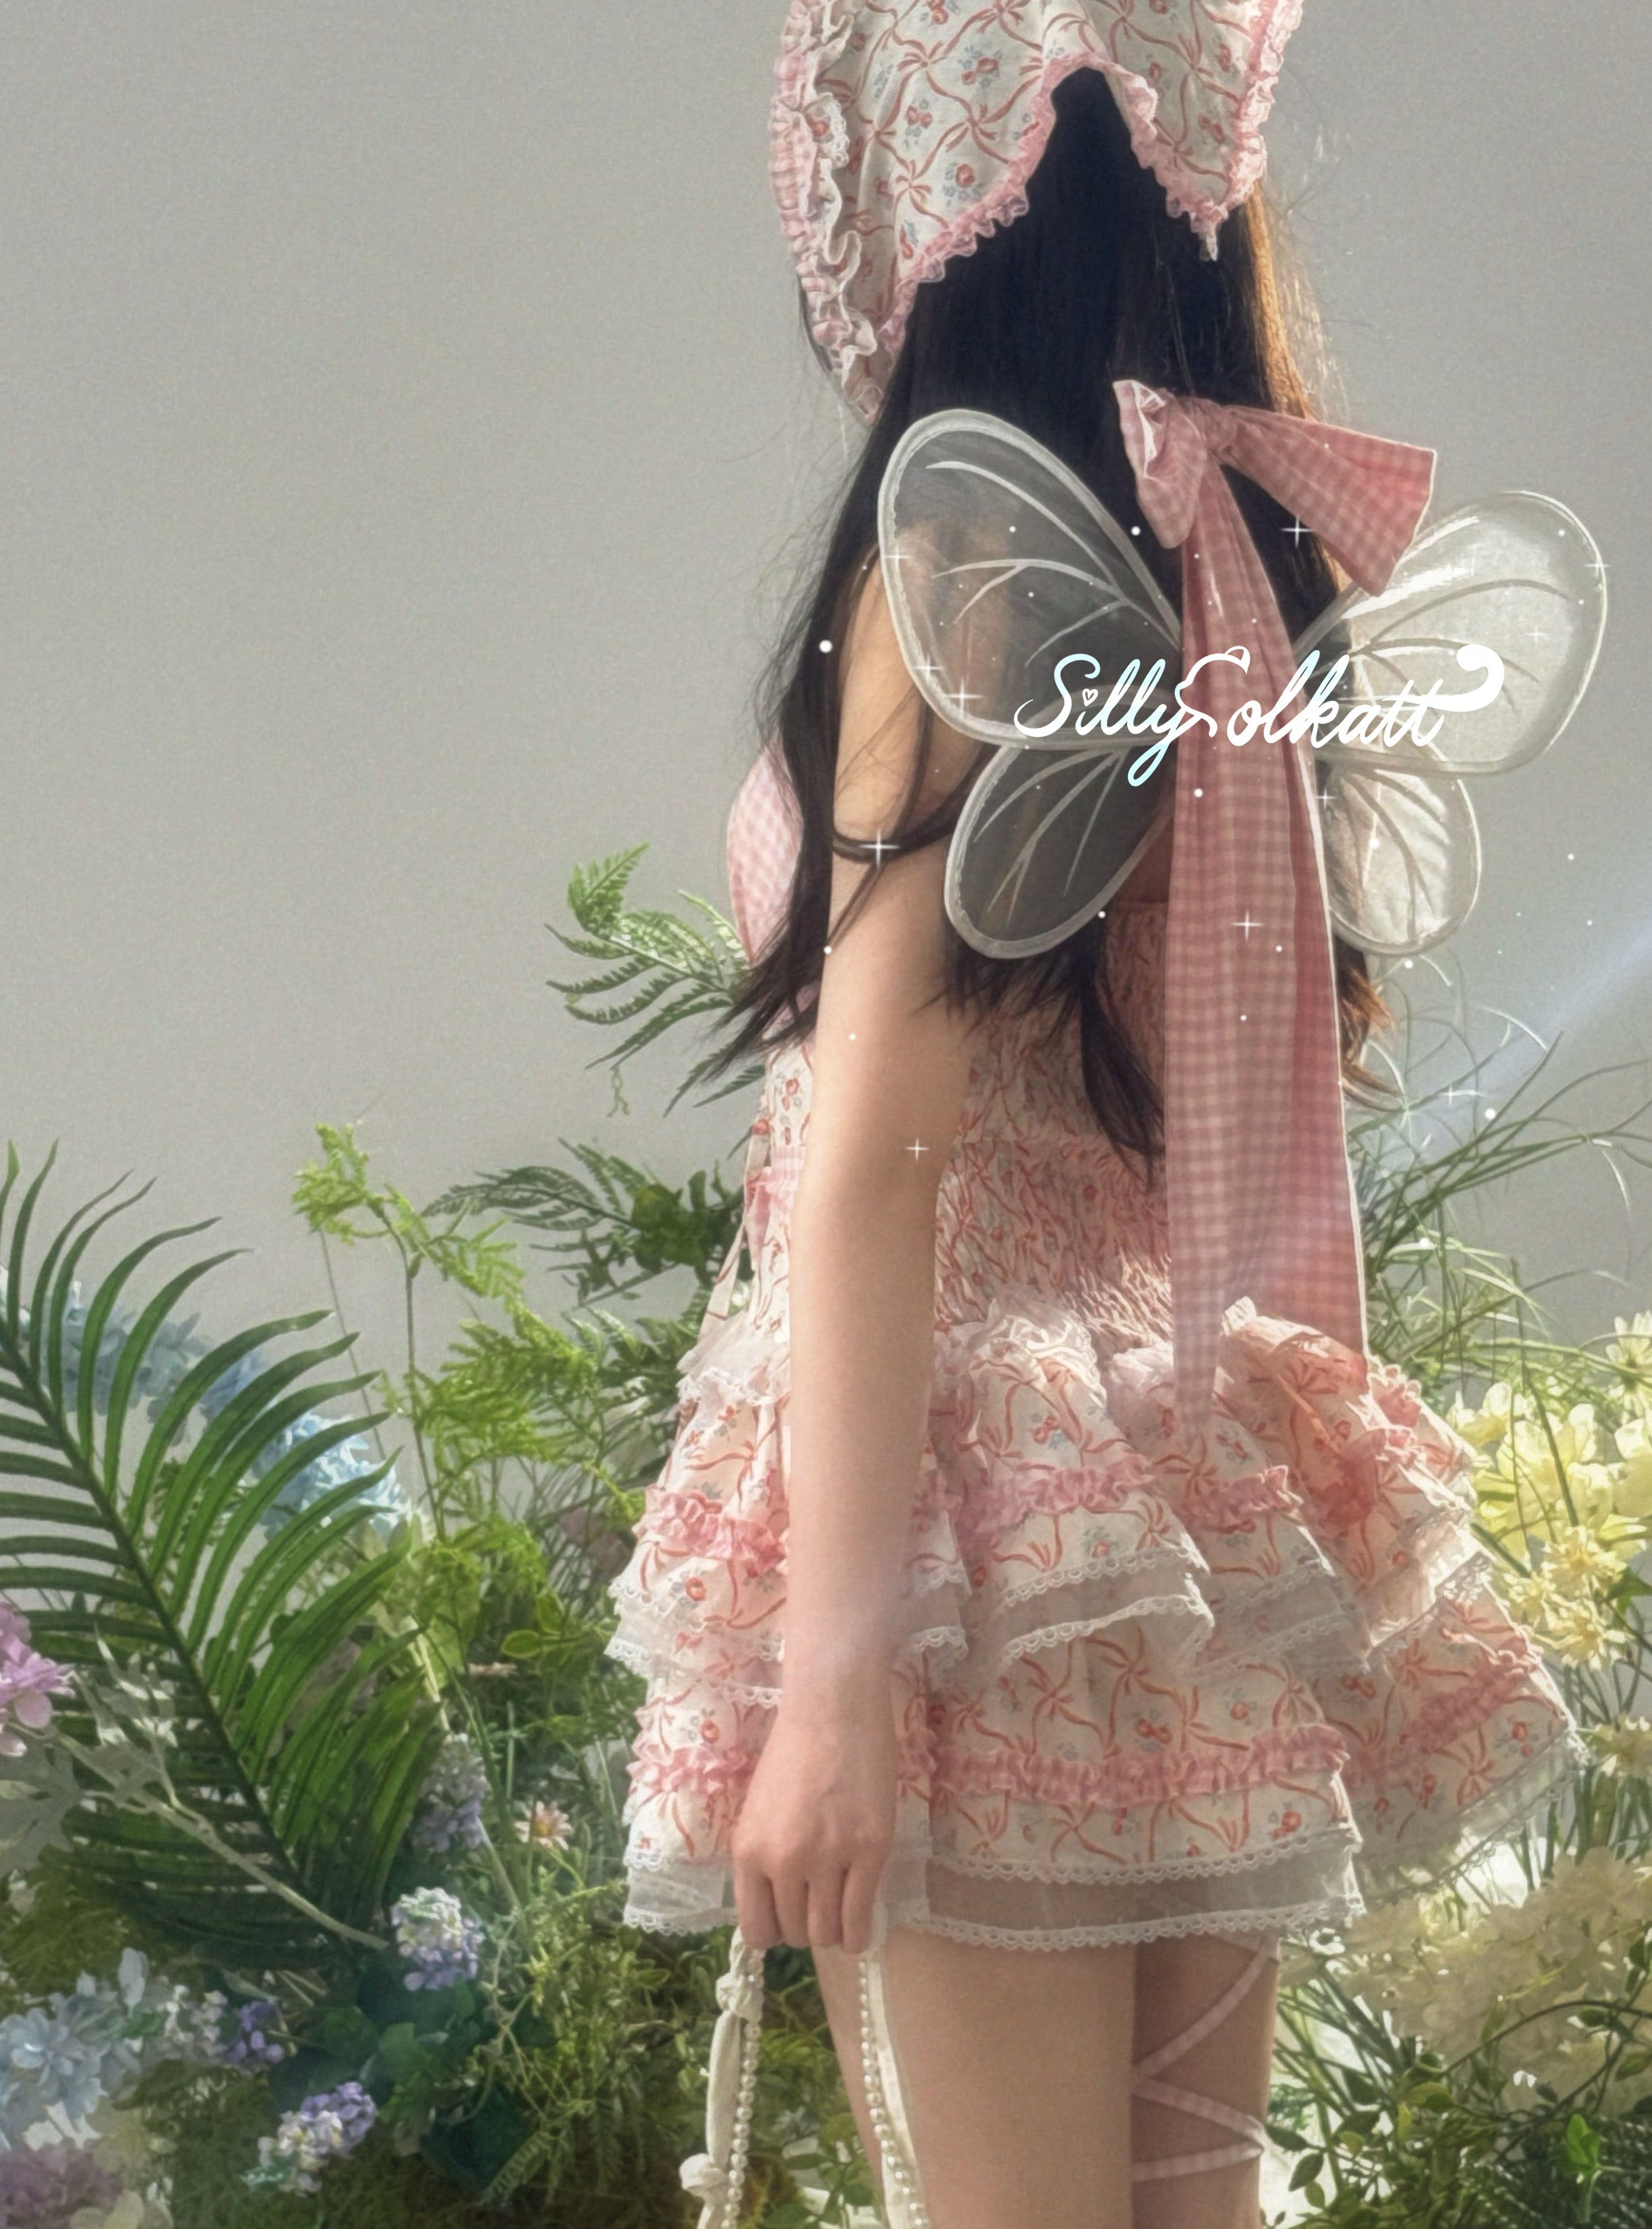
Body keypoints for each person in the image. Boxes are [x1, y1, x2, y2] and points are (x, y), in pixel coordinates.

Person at [607, 14, 1582, 2226]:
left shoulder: (961, 575)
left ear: (920, 211)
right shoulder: (1224, 554)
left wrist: (833, 1685)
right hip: (1174, 1473)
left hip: (968, 1513)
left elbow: (881, 1157)